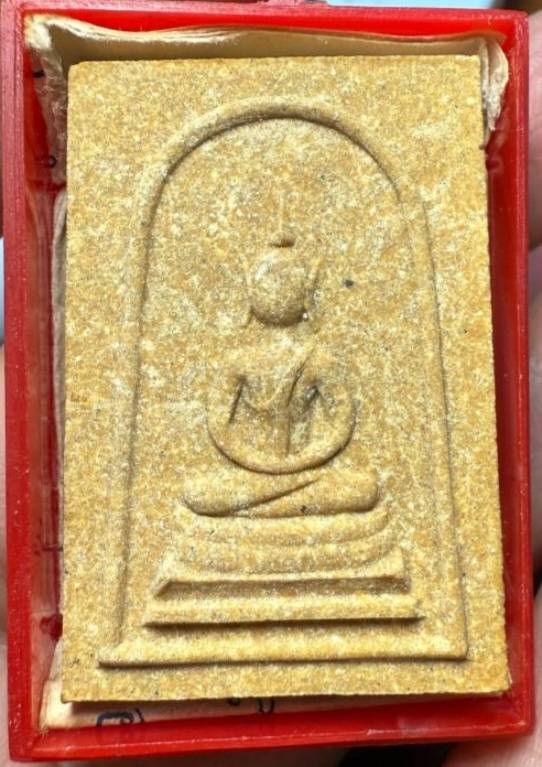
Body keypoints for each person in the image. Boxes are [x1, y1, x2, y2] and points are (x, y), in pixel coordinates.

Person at [0, 10, 541, 766]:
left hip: (307, 483)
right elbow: (220, 430)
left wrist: (297, 467)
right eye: (270, 286)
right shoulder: (237, 359)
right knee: (200, 496)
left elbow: (339, 427)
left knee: (357, 490)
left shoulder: (320, 355)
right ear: (256, 294)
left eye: (291, 286)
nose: (280, 295)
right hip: (249, 485)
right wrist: (262, 469)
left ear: (306, 295)